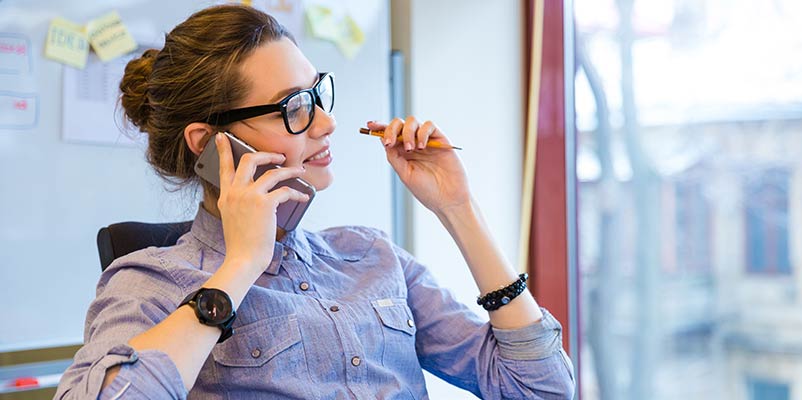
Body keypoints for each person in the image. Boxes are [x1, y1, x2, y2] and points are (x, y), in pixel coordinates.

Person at [54, 5, 575, 399]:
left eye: (317, 94)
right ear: (207, 143)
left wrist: (458, 209)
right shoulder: (149, 283)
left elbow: (541, 388)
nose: (325, 123)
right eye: (294, 108)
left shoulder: (372, 256)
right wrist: (239, 267)